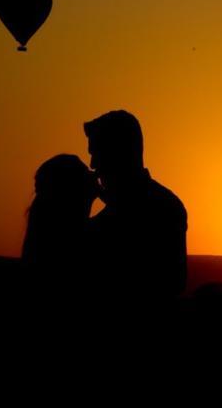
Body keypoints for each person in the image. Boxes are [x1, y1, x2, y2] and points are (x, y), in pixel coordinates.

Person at [84, 110, 187, 302]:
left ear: (120, 153)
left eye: (98, 154)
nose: (93, 164)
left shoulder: (161, 208)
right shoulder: (167, 203)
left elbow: (173, 281)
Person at [21, 154, 99, 300]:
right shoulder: (83, 238)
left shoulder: (48, 237)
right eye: (85, 172)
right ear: (70, 187)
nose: (93, 174)